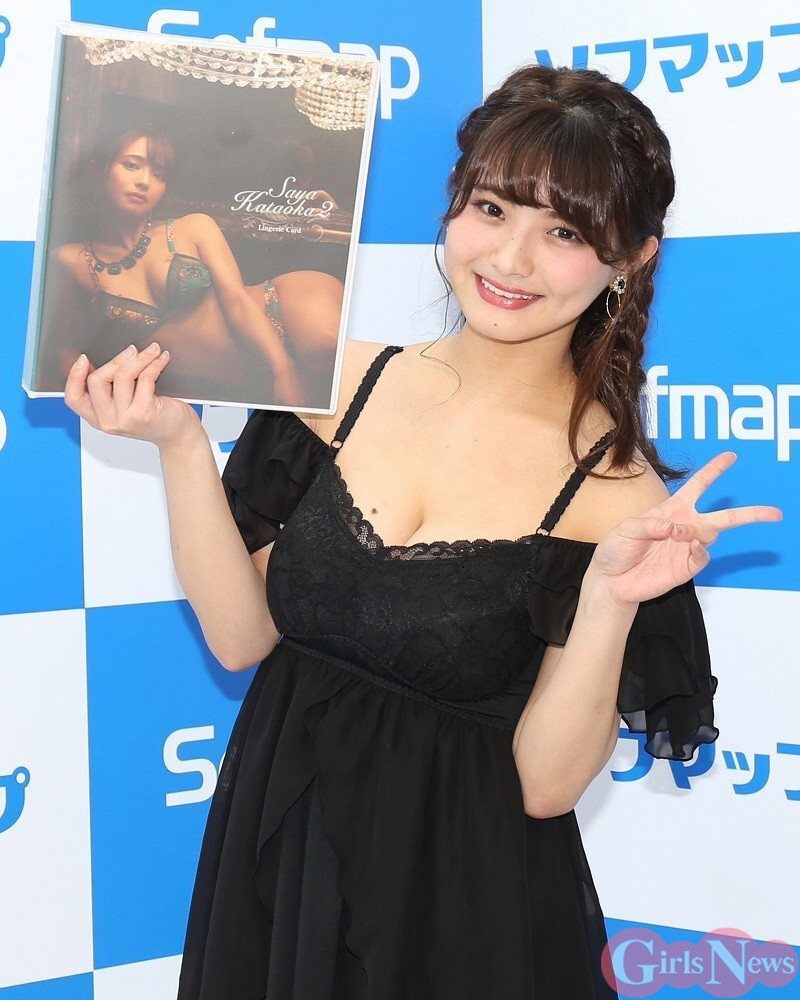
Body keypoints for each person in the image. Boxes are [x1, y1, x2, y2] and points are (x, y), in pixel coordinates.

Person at [63, 65, 782, 999]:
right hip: (280, 869)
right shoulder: (331, 385)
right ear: (454, 207)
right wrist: (180, 445)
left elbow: (546, 787)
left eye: (564, 232)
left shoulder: (618, 497)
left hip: (462, 916)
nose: (511, 260)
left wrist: (608, 601)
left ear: (631, 260)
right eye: (491, 209)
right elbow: (243, 640)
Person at [49, 123, 343, 405]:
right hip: (245, 378)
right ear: (100, 169)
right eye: (131, 165)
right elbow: (66, 348)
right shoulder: (70, 260)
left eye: (159, 174)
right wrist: (96, 397)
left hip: (282, 308)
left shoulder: (193, 227)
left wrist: (283, 369)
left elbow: (236, 300)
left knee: (328, 348)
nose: (144, 181)